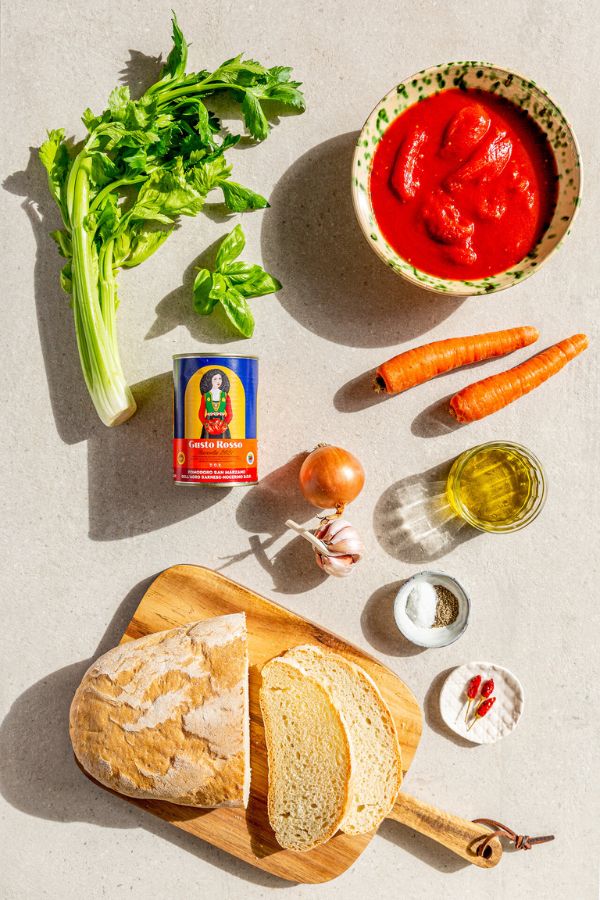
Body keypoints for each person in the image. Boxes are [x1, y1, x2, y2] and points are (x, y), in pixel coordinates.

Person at [199, 370, 233, 438]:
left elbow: (230, 414)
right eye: (215, 379)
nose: (218, 381)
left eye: (220, 379)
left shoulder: (225, 396)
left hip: (222, 423)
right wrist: (206, 424)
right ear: (210, 380)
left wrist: (225, 424)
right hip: (208, 423)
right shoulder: (205, 396)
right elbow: (201, 413)